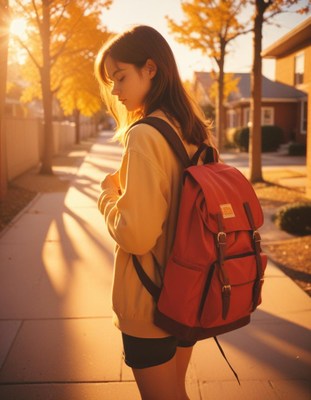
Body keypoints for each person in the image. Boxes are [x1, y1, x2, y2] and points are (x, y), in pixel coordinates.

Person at [95, 25, 217, 400]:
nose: (115, 91)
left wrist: (108, 196)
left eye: (120, 77)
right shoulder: (195, 131)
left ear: (151, 68)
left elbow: (137, 235)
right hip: (188, 292)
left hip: (150, 303)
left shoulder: (144, 134)